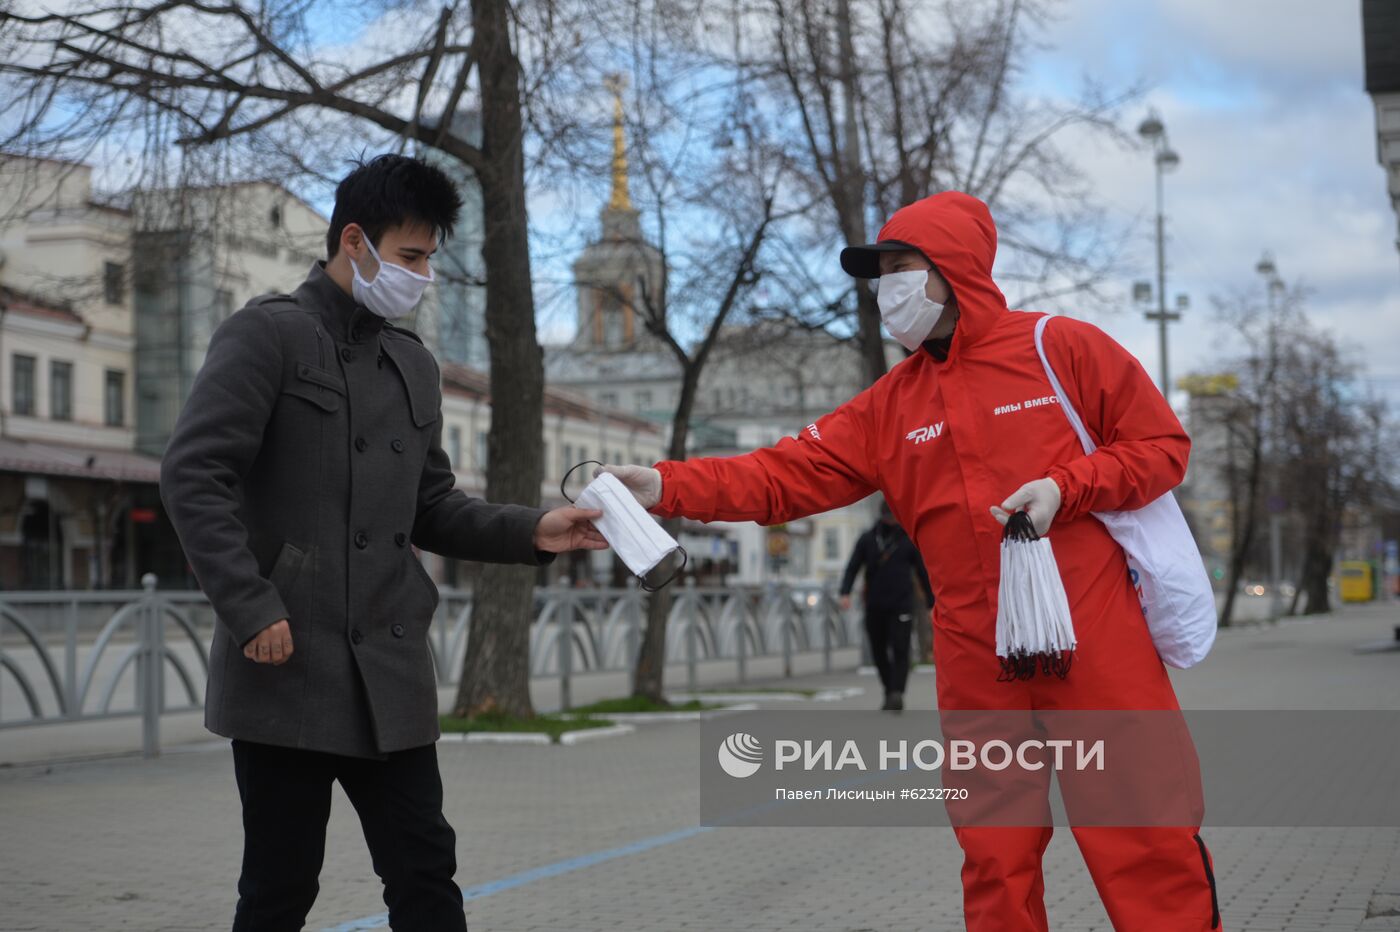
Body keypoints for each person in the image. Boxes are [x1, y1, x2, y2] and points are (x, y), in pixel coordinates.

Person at [596, 191, 1222, 931]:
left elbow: (1161, 448)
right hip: (974, 658)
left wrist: (1067, 486)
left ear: (954, 269)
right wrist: (664, 485)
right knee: (994, 859)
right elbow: (778, 475)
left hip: (1095, 641)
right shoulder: (892, 405)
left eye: (901, 267)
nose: (886, 286)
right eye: (879, 273)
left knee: (1143, 837)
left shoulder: (1063, 349)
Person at [159, 154, 607, 932]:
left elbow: (431, 505)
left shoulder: (412, 364)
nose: (423, 274)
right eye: (411, 256)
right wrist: (249, 603)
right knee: (279, 889)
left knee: (427, 876)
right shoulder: (266, 335)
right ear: (355, 241)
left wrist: (533, 527)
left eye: (431, 258)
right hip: (286, 663)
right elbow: (195, 475)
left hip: (391, 671)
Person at [838, 499, 933, 710]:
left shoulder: (907, 540)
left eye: (893, 517)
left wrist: (930, 602)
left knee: (901, 648)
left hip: (901, 604)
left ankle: (897, 692)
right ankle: (889, 689)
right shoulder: (868, 539)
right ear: (881, 516)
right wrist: (845, 592)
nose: (891, 521)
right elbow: (853, 566)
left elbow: (922, 572)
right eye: (888, 517)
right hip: (875, 605)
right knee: (878, 650)